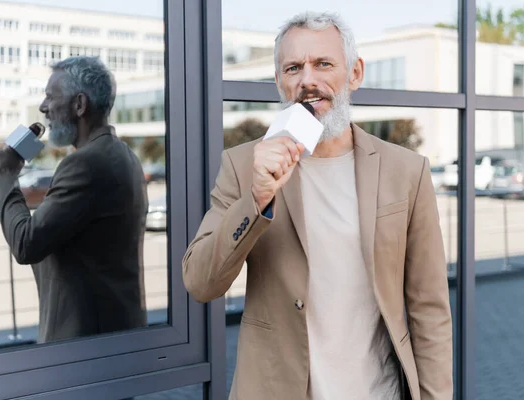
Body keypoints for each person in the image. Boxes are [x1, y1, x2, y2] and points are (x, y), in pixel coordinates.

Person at [182, 11, 453, 400]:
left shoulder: (406, 171)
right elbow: (200, 282)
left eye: (323, 64)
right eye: (293, 67)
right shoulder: (244, 166)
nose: (307, 79)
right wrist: (257, 199)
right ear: (279, 81)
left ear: (355, 73)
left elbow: (430, 309)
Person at [0, 56, 148, 343]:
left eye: (51, 96)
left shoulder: (85, 164)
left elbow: (26, 244)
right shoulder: (125, 156)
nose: (43, 107)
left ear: (79, 105)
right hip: (116, 333)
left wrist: (6, 178)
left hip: (84, 344)